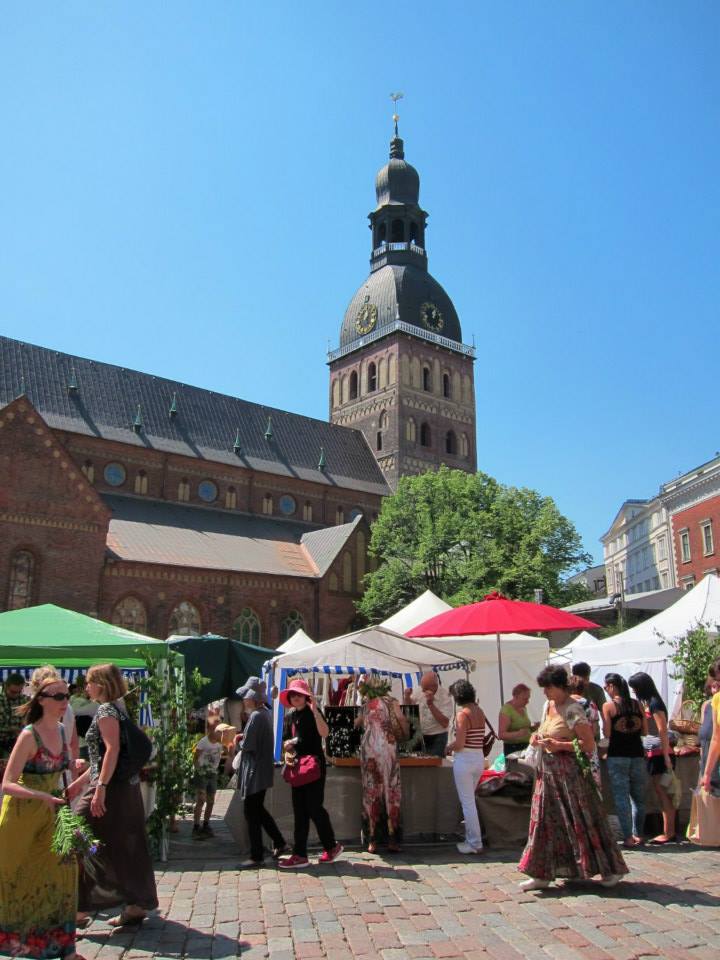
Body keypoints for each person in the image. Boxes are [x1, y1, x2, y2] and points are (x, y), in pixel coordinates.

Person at [518, 666, 628, 891]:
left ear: (560, 686)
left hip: (570, 777)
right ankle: (540, 873)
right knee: (544, 823)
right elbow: (543, 731)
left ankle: (611, 869)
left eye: (549, 688)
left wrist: (560, 745)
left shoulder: (572, 709)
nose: (545, 692)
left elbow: (588, 744)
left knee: (583, 822)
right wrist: (536, 738)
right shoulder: (548, 706)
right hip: (547, 775)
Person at [0, 677, 85, 959]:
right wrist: (41, 796)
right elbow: (7, 784)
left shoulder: (61, 730)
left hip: (52, 813)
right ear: (41, 700)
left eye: (67, 695)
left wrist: (76, 765)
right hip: (22, 816)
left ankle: (65, 948)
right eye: (58, 697)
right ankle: (19, 943)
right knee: (15, 879)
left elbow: (61, 765)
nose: (65, 702)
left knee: (64, 875)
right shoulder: (29, 735)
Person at [71, 663, 158, 926]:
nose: (86, 687)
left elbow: (112, 751)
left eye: (89, 682)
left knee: (77, 833)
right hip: (120, 786)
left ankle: (83, 906)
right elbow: (103, 758)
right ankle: (134, 903)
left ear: (101, 684)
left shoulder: (107, 710)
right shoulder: (117, 708)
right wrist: (80, 784)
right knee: (122, 844)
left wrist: (100, 789)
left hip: (111, 789)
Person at [277, 678, 342, 869]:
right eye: (293, 695)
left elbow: (325, 732)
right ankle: (300, 854)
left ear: (306, 697)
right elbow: (286, 741)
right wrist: (287, 750)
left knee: (314, 807)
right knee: (299, 811)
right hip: (297, 767)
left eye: (300, 694)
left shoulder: (313, 712)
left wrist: (315, 711)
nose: (296, 697)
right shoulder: (290, 717)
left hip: (314, 767)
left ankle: (331, 846)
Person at [234, 679, 287, 866]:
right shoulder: (264, 714)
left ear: (253, 698)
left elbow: (249, 745)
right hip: (260, 770)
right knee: (257, 810)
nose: (244, 700)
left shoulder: (257, 716)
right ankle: (279, 842)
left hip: (255, 772)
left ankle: (257, 855)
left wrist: (238, 741)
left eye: (247, 697)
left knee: (252, 812)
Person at [355, 677, 408, 854]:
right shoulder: (392, 702)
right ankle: (392, 838)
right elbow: (401, 720)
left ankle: (372, 839)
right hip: (388, 749)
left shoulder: (366, 704)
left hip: (370, 750)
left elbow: (358, 723)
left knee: (371, 792)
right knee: (391, 792)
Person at [628, 672, 677, 844]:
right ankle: (668, 831)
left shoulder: (655, 703)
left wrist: (666, 755)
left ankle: (669, 832)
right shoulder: (649, 702)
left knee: (663, 792)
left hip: (659, 753)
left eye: (635, 687)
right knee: (660, 792)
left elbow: (662, 729)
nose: (634, 691)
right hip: (653, 751)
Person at [602, 673, 648, 847]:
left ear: (612, 686)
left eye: (606, 686)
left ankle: (628, 837)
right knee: (639, 798)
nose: (605, 690)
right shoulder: (637, 704)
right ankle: (639, 834)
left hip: (617, 754)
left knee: (621, 798)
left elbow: (607, 733)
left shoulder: (609, 706)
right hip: (637, 753)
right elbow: (644, 731)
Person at [447, 680, 486, 855]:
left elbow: (460, 743)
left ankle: (475, 843)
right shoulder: (479, 711)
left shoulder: (463, 714)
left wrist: (448, 748)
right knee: (470, 802)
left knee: (467, 803)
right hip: (478, 758)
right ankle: (473, 839)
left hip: (465, 760)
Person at [29, 666, 79, 762]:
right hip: (65, 766)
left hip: (43, 768)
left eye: (67, 696)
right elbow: (74, 744)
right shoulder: (68, 708)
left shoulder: (32, 709)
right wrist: (74, 766)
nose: (65, 700)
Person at [403, 672, 452, 757]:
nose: (422, 690)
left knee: (435, 763)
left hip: (437, 737)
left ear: (434, 686)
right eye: (422, 687)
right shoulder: (419, 690)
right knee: (416, 763)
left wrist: (431, 704)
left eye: (425, 689)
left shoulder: (445, 697)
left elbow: (444, 723)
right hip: (419, 734)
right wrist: (407, 697)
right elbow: (409, 709)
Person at [192, 717, 223, 839]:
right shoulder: (203, 742)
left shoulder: (221, 742)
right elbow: (195, 758)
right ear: (210, 729)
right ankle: (196, 826)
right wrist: (199, 770)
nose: (219, 732)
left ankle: (206, 824)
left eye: (220, 729)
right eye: (216, 729)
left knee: (211, 801)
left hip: (213, 773)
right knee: (201, 799)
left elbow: (229, 753)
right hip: (202, 773)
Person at [498, 684, 533, 758]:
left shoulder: (523, 708)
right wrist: (518, 734)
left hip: (526, 747)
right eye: (525, 699)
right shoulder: (507, 710)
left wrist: (533, 727)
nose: (527, 701)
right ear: (516, 697)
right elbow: (501, 735)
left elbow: (523, 727)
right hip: (513, 749)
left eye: (528, 698)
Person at [698, 674, 720, 791]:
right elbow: (703, 735)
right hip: (707, 766)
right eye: (713, 687)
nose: (715, 690)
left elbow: (716, 737)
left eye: (718, 687)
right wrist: (705, 770)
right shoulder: (706, 706)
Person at [0, 672, 28, 761]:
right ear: (6, 686)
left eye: (19, 692)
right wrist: (11, 729)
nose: (16, 695)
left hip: (18, 743)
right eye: (13, 692)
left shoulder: (25, 700)